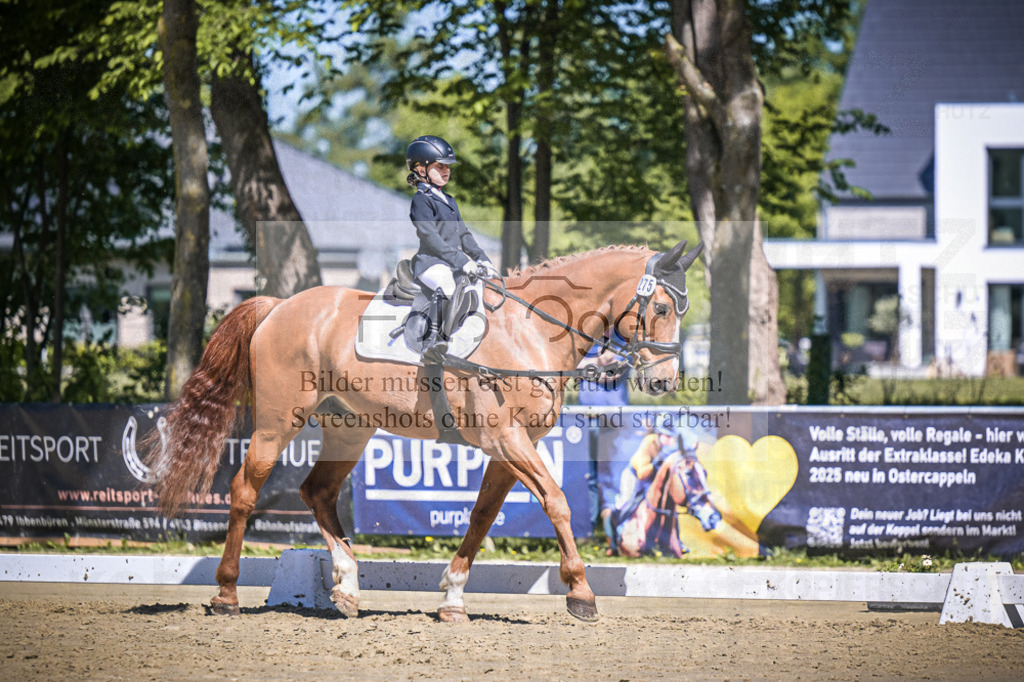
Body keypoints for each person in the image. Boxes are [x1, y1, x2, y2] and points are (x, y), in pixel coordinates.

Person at [406, 135, 497, 364]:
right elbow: (431, 237)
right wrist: (462, 261)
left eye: (448, 166)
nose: (446, 170)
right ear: (421, 169)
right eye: (440, 166)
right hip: (430, 263)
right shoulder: (421, 200)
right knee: (447, 285)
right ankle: (433, 343)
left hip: (451, 263)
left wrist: (482, 258)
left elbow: (464, 234)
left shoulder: (449, 200)